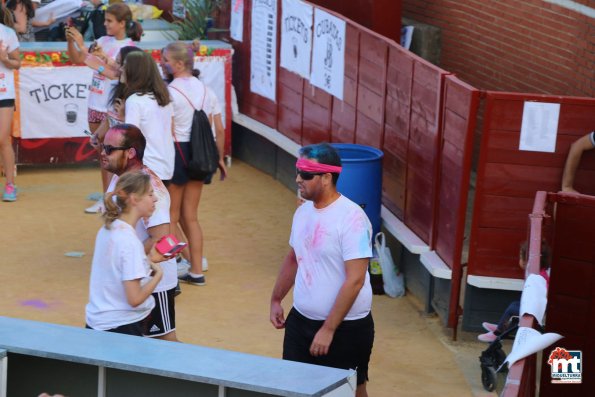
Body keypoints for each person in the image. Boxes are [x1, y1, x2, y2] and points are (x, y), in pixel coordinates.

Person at [269, 143, 375, 397]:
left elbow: (355, 281)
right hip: (301, 321)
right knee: (293, 388)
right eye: (297, 171)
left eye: (306, 174)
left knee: (349, 390)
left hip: (345, 329)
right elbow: (294, 258)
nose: (297, 179)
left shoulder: (353, 219)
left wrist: (328, 329)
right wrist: (276, 298)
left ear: (327, 177)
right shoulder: (303, 212)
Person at [100, 123, 180, 341]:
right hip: (136, 279)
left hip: (153, 283)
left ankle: (193, 374)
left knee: (164, 342)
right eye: (102, 147)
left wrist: (131, 261)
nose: (102, 153)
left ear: (131, 152)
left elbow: (161, 238)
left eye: (109, 149)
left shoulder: (149, 188)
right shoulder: (120, 178)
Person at [161, 41, 227, 286]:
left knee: (170, 215)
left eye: (166, 60)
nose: (163, 63)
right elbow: (216, 129)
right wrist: (218, 159)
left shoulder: (168, 92)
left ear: (178, 64)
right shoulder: (206, 90)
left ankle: (169, 274)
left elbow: (166, 130)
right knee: (191, 217)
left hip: (177, 152)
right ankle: (196, 271)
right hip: (201, 154)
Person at [66, 2, 141, 213]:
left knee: (114, 157)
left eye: (109, 21)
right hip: (95, 102)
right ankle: (108, 197)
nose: (105, 24)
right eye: (105, 20)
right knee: (103, 156)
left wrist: (92, 57)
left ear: (122, 23)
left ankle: (112, 199)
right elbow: (79, 59)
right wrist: (72, 42)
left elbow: (118, 75)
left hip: (111, 106)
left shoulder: (129, 48)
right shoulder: (102, 41)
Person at [85, 171, 164, 336]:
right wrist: (158, 275)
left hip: (98, 323)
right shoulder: (130, 242)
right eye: (150, 194)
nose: (155, 198)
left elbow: (118, 269)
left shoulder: (107, 229)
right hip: (122, 327)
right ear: (134, 199)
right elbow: (134, 299)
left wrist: (149, 260)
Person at [115, 50, 175, 183]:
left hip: (146, 169)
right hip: (166, 167)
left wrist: (121, 119)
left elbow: (130, 139)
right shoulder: (163, 97)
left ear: (134, 71)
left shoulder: (135, 100)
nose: (121, 69)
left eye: (125, 65)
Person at [478, 241, 550, 342]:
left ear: (526, 261)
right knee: (514, 305)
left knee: (512, 309)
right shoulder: (541, 273)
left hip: (536, 312)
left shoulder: (539, 276)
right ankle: (501, 326)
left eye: (521, 257)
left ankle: (497, 333)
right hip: (536, 309)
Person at [0, 7, 21, 202]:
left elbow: (18, 63)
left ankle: (10, 184)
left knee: (3, 139)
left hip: (3, 93)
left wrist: (5, 59)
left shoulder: (7, 33)